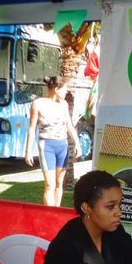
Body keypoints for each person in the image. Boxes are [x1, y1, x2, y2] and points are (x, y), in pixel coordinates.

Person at [24, 76, 82, 206]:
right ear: (56, 89)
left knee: (59, 182)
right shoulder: (38, 103)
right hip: (47, 145)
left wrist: (77, 143)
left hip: (62, 145)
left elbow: (69, 125)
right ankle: (49, 214)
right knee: (50, 184)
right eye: (64, 89)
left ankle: (57, 212)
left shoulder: (63, 104)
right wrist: (28, 151)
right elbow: (32, 128)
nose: (67, 92)